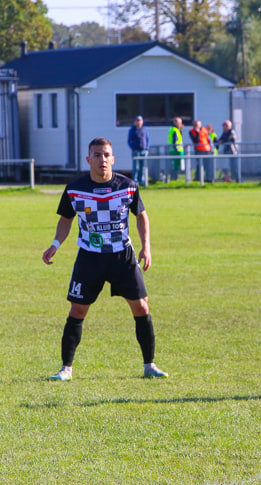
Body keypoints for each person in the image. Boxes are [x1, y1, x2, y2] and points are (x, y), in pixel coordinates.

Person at [41, 137, 167, 381]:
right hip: (90, 257)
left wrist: (146, 247)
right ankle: (66, 368)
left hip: (123, 256)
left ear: (113, 159)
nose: (102, 160)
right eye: (97, 155)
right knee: (77, 310)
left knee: (141, 307)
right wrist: (55, 244)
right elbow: (66, 219)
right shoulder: (75, 189)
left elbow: (141, 215)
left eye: (106, 155)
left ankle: (149, 365)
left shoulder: (128, 186)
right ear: (88, 160)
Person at [127, 116, 149, 186]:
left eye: (140, 120)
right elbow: (129, 141)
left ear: (142, 122)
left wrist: (147, 148)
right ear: (135, 122)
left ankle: (142, 181)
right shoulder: (132, 130)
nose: (138, 122)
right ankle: (135, 182)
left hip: (143, 151)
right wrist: (134, 149)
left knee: (143, 167)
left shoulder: (144, 129)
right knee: (136, 167)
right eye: (137, 120)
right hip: (136, 151)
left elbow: (147, 139)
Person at [167, 117, 185, 181]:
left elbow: (178, 138)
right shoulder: (174, 130)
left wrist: (181, 130)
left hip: (177, 150)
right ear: (176, 123)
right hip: (176, 151)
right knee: (175, 166)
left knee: (177, 166)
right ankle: (174, 178)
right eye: (180, 123)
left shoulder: (176, 130)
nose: (181, 124)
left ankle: (175, 178)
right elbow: (174, 141)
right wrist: (176, 148)